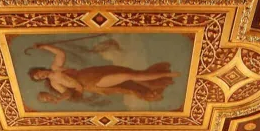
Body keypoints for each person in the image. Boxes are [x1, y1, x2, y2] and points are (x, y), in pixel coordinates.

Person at [27, 43, 179, 104]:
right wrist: (60, 98)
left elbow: (60, 53)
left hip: (92, 72)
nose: (42, 76)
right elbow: (68, 93)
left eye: (39, 73)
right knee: (129, 77)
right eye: (39, 78)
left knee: (131, 73)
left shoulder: (55, 67)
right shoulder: (54, 82)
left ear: (41, 69)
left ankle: (161, 76)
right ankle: (166, 76)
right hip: (93, 83)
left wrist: (45, 46)